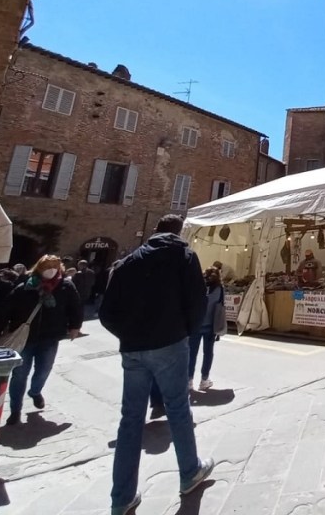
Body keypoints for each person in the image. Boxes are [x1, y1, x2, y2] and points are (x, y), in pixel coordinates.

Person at [100, 214, 215, 515]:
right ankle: (190, 472)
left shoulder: (127, 262)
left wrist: (128, 334)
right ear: (179, 232)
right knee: (178, 409)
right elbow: (197, 302)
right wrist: (184, 332)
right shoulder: (185, 255)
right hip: (170, 343)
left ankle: (121, 497)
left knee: (130, 420)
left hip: (133, 349)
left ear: (154, 231)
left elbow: (106, 312)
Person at [2, 255, 83, 425]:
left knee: (44, 370)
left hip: (50, 337)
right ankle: (15, 410)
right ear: (39, 268)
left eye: (54, 266)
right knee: (19, 374)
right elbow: (8, 307)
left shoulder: (65, 286)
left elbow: (75, 307)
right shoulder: (26, 286)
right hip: (25, 339)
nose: (51, 270)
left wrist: (75, 326)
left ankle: (35, 391)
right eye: (47, 266)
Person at [190, 267, 225, 391]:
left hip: (196, 325)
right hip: (211, 327)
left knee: (192, 354)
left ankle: (189, 381)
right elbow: (221, 308)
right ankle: (204, 380)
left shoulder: (198, 287)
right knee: (208, 353)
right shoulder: (220, 290)